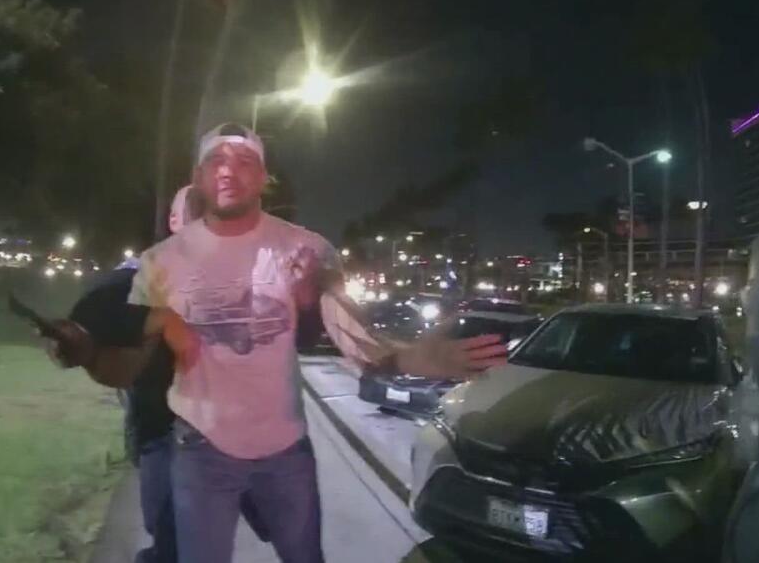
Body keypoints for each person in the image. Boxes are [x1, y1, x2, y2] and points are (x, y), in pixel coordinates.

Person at [61, 123, 507, 563]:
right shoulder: (155, 268)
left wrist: (402, 356)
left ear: (261, 179)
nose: (227, 173)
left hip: (278, 448)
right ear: (184, 203)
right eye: (214, 164)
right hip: (186, 443)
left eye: (243, 162)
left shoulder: (291, 256)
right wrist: (86, 352)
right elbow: (122, 356)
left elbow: (336, 324)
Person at [50, 185, 268, 563]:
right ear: (174, 221)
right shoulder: (138, 277)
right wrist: (70, 344)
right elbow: (86, 324)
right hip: (163, 437)